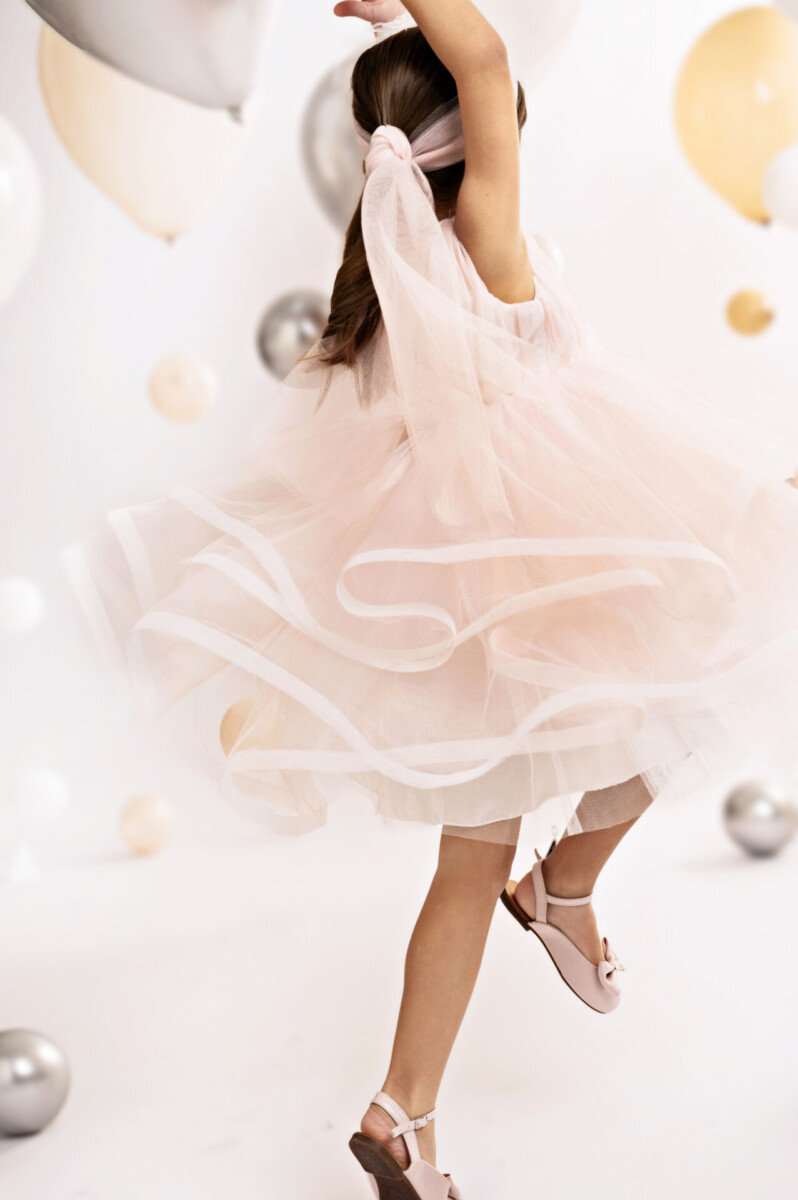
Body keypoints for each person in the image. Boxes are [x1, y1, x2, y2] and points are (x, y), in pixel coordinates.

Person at [60, 2, 798, 1196]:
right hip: (549, 564)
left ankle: (405, 1111)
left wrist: (395, 30)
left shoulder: (379, 285)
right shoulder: (489, 233)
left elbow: (445, 92)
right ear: (479, 138)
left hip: (454, 602)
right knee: (708, 650)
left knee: (470, 861)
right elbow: (485, 57)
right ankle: (566, 885)